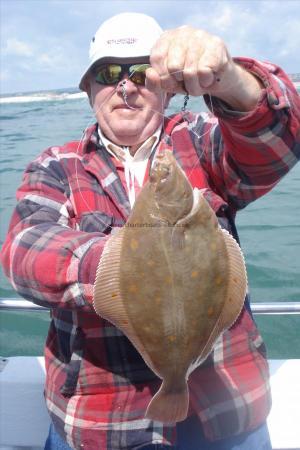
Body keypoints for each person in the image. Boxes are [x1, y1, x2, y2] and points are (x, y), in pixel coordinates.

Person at [1, 11, 300, 450]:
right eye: (108, 74)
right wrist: (133, 262)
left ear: (165, 85)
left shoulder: (202, 141)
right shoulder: (56, 167)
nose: (125, 85)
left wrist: (230, 80)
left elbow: (279, 141)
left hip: (227, 416)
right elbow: (22, 252)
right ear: (88, 89)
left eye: (141, 72)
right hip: (100, 425)